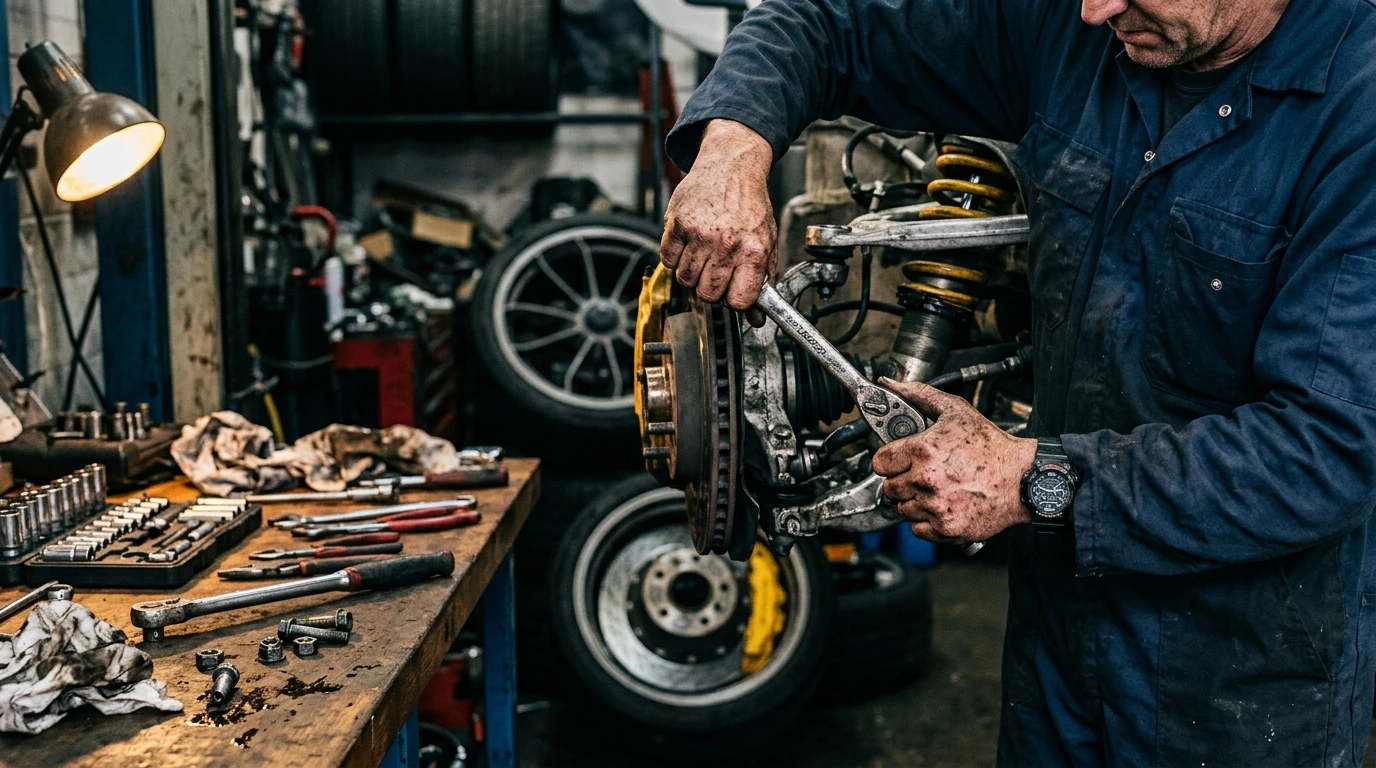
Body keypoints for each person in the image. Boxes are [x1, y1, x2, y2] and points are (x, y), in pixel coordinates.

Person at [659, 0, 1376, 764]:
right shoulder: (1077, 29)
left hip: (1240, 680)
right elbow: (827, 21)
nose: (1095, 10)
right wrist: (732, 147)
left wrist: (1032, 482)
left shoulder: (1357, 111)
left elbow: (1329, 448)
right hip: (1056, 639)